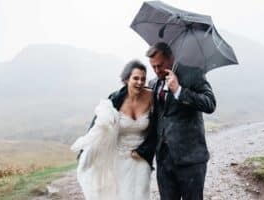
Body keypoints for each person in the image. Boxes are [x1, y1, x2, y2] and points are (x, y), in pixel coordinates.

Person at [140, 42, 216, 200]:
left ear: (171, 58)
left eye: (159, 65)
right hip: (163, 160)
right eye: (153, 67)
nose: (156, 70)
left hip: (191, 160)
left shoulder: (194, 74)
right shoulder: (154, 83)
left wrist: (179, 90)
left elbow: (210, 103)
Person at [71, 60, 154, 200]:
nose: (140, 82)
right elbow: (98, 126)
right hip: (120, 157)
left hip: (142, 157)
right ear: (126, 79)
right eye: (136, 78)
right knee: (122, 194)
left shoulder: (152, 97)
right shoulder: (115, 99)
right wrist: (85, 151)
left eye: (143, 79)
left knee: (141, 194)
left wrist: (145, 150)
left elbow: (157, 129)